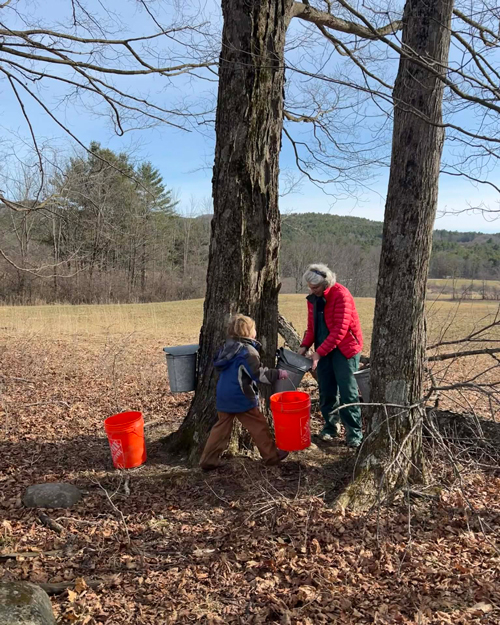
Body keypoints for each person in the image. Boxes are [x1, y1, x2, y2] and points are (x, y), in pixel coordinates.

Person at [200, 314, 289, 470]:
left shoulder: (225, 348)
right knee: (258, 425)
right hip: (241, 396)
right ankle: (271, 456)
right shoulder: (248, 352)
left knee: (220, 428)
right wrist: (277, 374)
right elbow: (258, 374)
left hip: (223, 395)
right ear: (249, 332)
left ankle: (208, 460)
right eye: (253, 328)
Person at [298, 263, 363, 448]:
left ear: (326, 284)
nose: (312, 290)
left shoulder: (342, 295)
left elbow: (339, 331)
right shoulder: (313, 299)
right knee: (326, 390)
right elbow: (312, 327)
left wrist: (317, 353)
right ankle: (330, 427)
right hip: (323, 349)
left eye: (316, 287)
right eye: (310, 287)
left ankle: (354, 433)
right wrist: (304, 346)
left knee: (348, 392)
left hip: (345, 350)